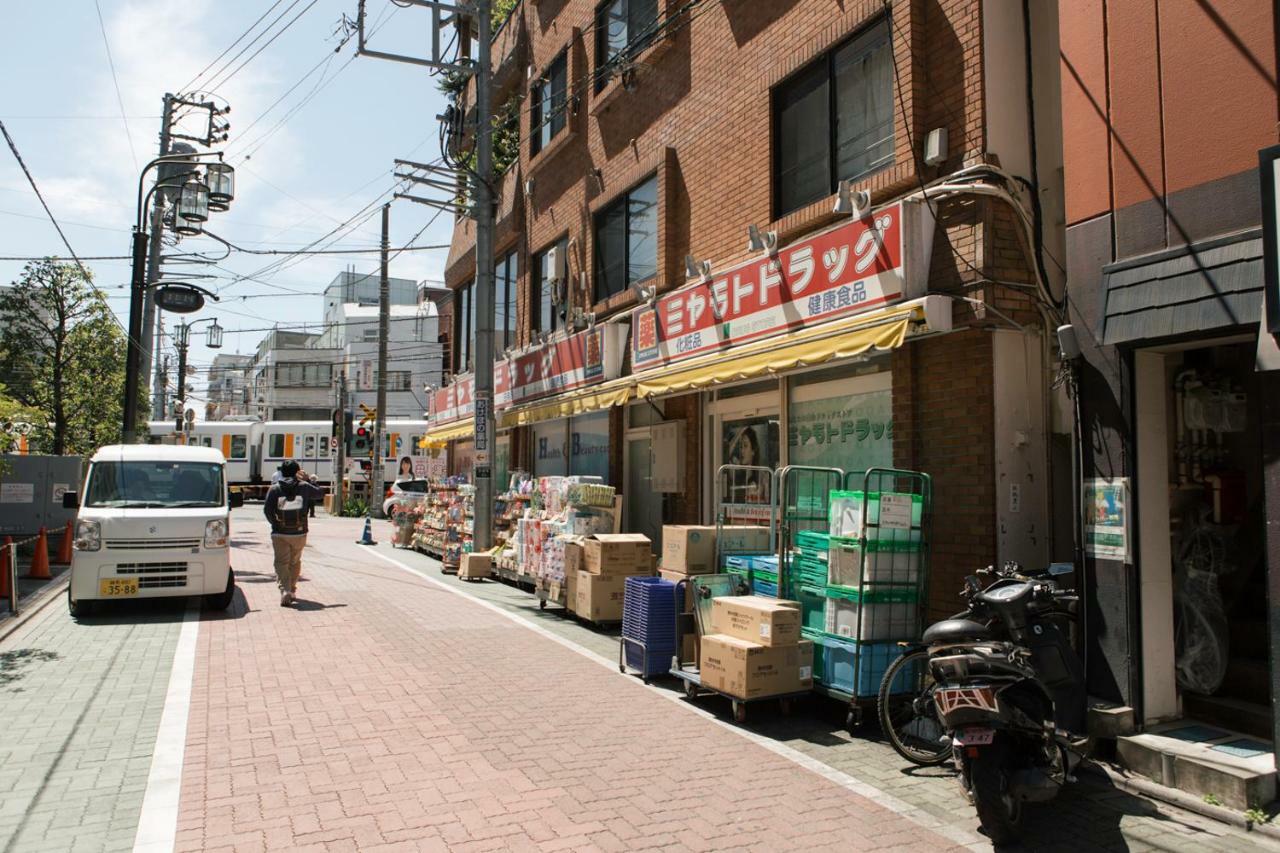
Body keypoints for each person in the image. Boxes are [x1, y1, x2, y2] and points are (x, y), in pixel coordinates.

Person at [263, 460, 324, 607]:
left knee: (281, 562)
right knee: (294, 562)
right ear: (297, 472)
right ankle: (292, 589)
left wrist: (275, 524)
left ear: (281, 472)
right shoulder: (304, 486)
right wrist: (308, 479)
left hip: (279, 533)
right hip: (299, 532)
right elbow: (320, 493)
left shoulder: (274, 489)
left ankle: (285, 590)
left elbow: (267, 510)